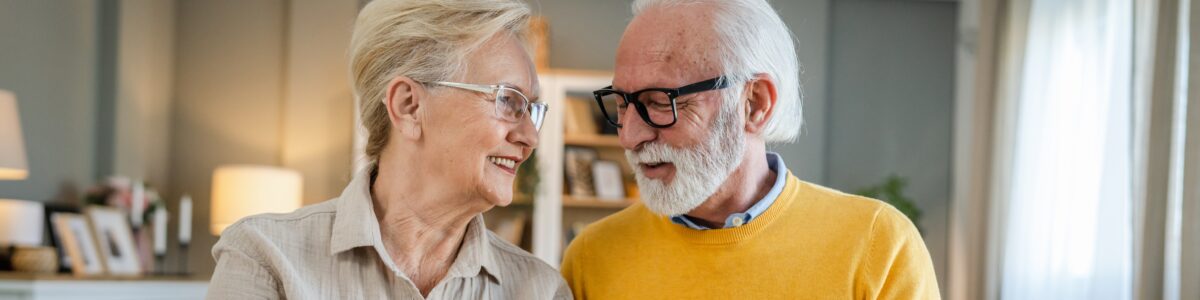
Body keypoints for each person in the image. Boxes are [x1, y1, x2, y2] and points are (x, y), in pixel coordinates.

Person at [560, 0, 940, 298]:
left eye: (659, 102)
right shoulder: (591, 257)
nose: (629, 136)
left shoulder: (878, 244)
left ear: (755, 103)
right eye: (622, 104)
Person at [206, 0, 570, 298]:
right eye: (508, 100)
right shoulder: (264, 258)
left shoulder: (539, 290)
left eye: (532, 109)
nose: (530, 137)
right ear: (409, 106)